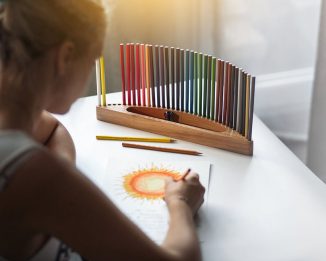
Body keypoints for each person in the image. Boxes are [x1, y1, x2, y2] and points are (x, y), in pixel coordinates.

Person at [0, 0, 206, 260]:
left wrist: (65, 182)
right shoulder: (35, 175)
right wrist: (180, 203)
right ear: (65, 57)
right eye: (93, 60)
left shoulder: (15, 120)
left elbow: (52, 128)